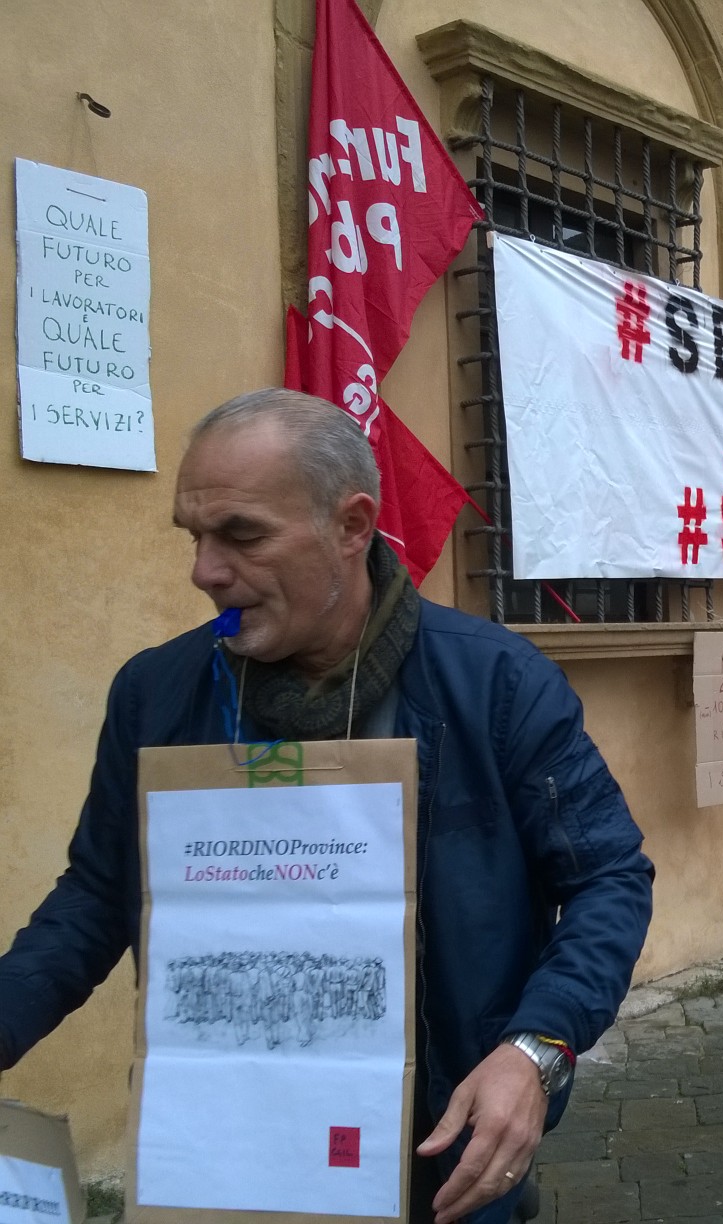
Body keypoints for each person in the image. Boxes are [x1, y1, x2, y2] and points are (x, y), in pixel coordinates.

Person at [0, 390, 655, 1224]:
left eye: (242, 535)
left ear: (352, 527)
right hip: (224, 1157)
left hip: (440, 1168)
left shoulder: (496, 685)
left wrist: (536, 1052)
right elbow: (97, 895)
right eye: (194, 537)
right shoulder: (154, 694)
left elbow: (610, 878)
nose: (205, 571)